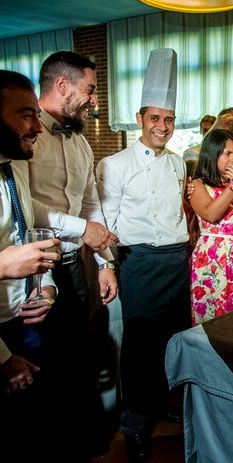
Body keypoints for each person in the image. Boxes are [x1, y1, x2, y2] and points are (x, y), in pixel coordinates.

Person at [14, 51, 118, 457]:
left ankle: (83, 442)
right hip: (35, 271)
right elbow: (28, 208)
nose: (93, 100)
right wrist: (82, 229)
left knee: (82, 356)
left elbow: (90, 203)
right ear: (63, 86)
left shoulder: (80, 142)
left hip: (78, 266)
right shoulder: (23, 138)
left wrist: (107, 262)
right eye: (89, 91)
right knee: (43, 365)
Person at [96, 49, 191, 462]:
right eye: (154, 118)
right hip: (138, 263)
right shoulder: (114, 165)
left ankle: (164, 404)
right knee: (139, 348)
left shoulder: (179, 165)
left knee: (174, 342)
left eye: (168, 119)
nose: (162, 127)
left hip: (177, 262)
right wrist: (108, 266)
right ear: (139, 119)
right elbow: (103, 222)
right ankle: (134, 426)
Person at [0, 69, 94, 459]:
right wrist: (3, 359)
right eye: (26, 114)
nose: (38, 126)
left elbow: (27, 222)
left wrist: (45, 283)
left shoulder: (11, 164)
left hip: (26, 313)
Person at [189, 129, 233, 324]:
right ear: (212, 153)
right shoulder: (199, 186)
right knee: (215, 317)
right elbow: (211, 214)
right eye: (227, 153)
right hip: (214, 257)